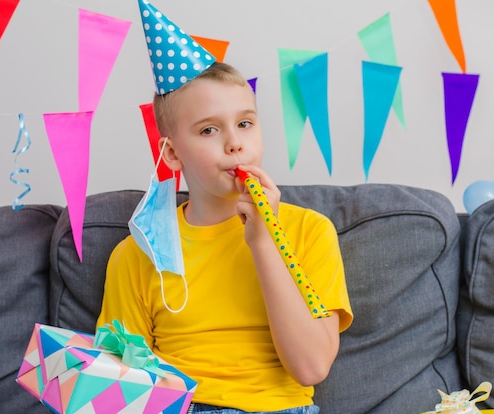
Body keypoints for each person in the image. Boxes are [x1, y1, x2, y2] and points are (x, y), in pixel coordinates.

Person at [96, 2, 352, 413]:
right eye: (209, 130)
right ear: (173, 153)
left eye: (245, 124)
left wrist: (263, 241)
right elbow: (121, 388)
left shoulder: (309, 232)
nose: (234, 143)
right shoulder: (139, 252)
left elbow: (310, 367)